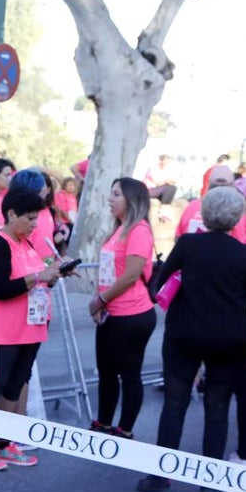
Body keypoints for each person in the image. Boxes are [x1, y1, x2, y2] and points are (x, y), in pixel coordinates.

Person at [137, 186, 246, 492]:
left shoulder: (189, 244)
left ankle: (160, 479)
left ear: (205, 213)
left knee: (175, 404)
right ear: (236, 218)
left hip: (184, 334)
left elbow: (160, 281)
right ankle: (211, 483)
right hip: (229, 339)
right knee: (217, 407)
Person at [0, 188, 65, 471]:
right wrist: (39, 276)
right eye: (30, 218)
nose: (35, 225)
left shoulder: (27, 243)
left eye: (37, 219)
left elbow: (37, 279)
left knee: (15, 387)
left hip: (31, 329)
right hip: (3, 330)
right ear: (12, 215)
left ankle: (4, 443)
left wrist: (53, 275)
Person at [86, 178, 157, 440]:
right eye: (110, 192)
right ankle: (103, 422)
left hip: (132, 315)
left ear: (131, 198)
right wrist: (98, 302)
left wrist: (100, 300)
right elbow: (106, 272)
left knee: (129, 374)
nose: (110, 198)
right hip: (109, 313)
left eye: (116, 194)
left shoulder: (139, 230)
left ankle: (124, 429)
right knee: (106, 372)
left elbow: (130, 275)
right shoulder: (117, 229)